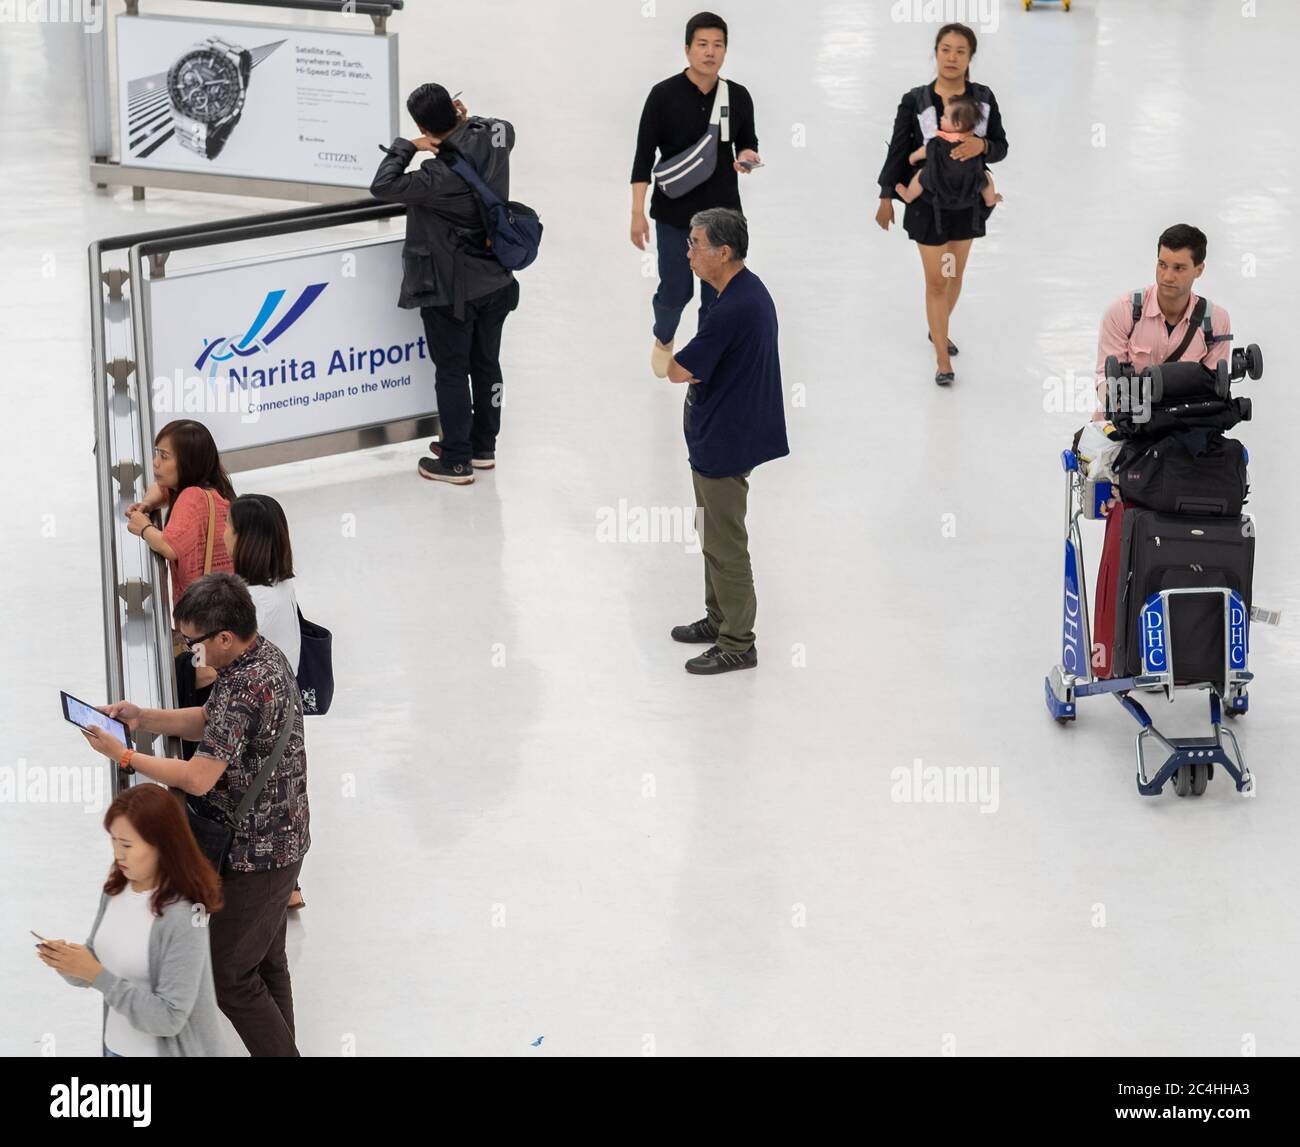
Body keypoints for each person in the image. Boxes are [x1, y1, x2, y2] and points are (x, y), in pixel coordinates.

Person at [82, 573, 310, 1057]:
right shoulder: (261, 657)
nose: (189, 652)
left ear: (224, 637)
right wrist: (143, 718)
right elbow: (213, 720)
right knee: (267, 964)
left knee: (229, 975)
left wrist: (125, 757)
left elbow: (200, 777)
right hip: (285, 841)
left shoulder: (246, 683)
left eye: (193, 642)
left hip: (256, 855)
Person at [1089, 224, 1233, 679]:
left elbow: (1218, 392)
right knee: (1125, 526)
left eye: (1179, 267)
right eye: (1162, 264)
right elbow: (1103, 382)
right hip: (1127, 436)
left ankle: (1189, 645)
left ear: (1199, 270)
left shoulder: (1215, 321)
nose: (1168, 276)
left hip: (1181, 435)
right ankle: (1114, 652)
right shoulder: (1124, 312)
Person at [371, 83, 519, 485]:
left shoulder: (433, 176)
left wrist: (408, 146)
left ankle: (456, 458)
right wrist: (467, 122)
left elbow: (382, 185)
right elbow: (505, 127)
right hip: (496, 280)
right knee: (486, 364)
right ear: (456, 110)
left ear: (423, 125)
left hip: (452, 290)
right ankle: (483, 446)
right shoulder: (493, 139)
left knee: (452, 370)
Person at [665, 208, 788, 675]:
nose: (689, 251)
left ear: (724, 251)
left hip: (725, 439)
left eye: (696, 243)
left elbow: (679, 369)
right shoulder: (739, 292)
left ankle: (738, 641)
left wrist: (663, 352)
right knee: (712, 533)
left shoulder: (735, 307)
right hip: (721, 432)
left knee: (725, 540)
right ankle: (719, 618)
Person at [37, 783, 226, 1057]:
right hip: (115, 1049)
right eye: (113, 841)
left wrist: (95, 974)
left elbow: (168, 1018)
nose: (117, 854)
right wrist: (67, 962)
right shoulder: (114, 890)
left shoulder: (184, 915)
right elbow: (97, 959)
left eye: (126, 844)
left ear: (162, 844)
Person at [875, 23, 1009, 386]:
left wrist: (982, 147)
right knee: (936, 280)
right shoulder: (916, 101)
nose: (952, 57)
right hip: (926, 206)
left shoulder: (981, 98)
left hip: (966, 204)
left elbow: (1000, 145)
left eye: (960, 51)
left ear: (970, 57)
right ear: (935, 53)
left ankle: (938, 326)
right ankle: (942, 360)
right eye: (945, 49)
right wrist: (886, 196)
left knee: (953, 276)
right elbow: (900, 151)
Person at [631, 11, 761, 379]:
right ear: (687, 49)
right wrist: (637, 212)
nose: (710, 52)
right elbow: (643, 158)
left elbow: (747, 142)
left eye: (717, 45)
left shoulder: (737, 96)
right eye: (702, 45)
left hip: (723, 217)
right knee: (675, 292)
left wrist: (748, 157)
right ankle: (664, 337)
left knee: (717, 295)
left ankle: (705, 361)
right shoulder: (662, 96)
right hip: (675, 214)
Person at [224, 493, 306, 912]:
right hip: (283, 705)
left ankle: (272, 884)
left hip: (259, 710)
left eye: (229, 528)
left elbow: (212, 665)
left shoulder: (255, 601)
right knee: (282, 788)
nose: (223, 533)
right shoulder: (282, 584)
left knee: (258, 792)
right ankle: (290, 883)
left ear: (245, 540)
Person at [126, 419, 235, 606]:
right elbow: (159, 489)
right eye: (157, 453)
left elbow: (169, 547)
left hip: (203, 614)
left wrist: (143, 527)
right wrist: (146, 505)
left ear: (188, 462)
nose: (155, 462)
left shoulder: (192, 497)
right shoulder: (214, 490)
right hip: (225, 605)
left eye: (165, 456)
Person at [893, 94, 1001, 210]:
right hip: (968, 186)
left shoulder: (939, 141)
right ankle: (990, 199)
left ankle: (909, 195)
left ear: (957, 124)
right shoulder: (973, 142)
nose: (941, 118)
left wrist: (913, 158)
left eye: (945, 116)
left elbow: (924, 151)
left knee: (921, 174)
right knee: (986, 176)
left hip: (940, 183)